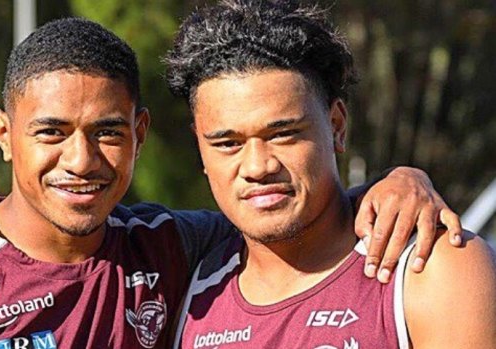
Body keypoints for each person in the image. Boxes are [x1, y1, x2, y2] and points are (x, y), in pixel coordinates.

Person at [0, 16, 462, 349]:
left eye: (107, 132)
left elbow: (280, 212)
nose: (80, 160)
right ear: (4, 133)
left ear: (140, 133)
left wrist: (400, 185)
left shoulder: (171, 244)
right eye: (50, 132)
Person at [165, 1, 496, 348]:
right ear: (200, 148)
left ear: (337, 125)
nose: (258, 166)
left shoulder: (430, 267)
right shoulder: (185, 289)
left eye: (283, 134)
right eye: (228, 143)